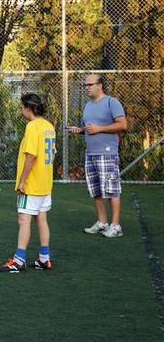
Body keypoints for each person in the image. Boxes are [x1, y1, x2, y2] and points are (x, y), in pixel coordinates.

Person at [0, 94, 56, 273]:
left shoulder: (32, 126)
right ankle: (44, 259)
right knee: (42, 219)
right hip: (45, 183)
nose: (21, 110)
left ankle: (19, 260)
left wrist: (22, 182)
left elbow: (31, 156)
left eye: (22, 107)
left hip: (32, 183)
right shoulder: (48, 126)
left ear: (28, 108)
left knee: (24, 220)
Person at [68, 74, 127, 238]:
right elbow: (90, 128)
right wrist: (80, 130)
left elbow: (123, 124)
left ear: (100, 85)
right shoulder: (87, 105)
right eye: (85, 85)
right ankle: (102, 223)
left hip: (107, 153)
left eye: (89, 84)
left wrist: (100, 129)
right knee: (96, 191)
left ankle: (116, 226)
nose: (86, 87)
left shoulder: (111, 102)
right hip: (91, 154)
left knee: (112, 190)